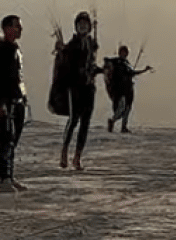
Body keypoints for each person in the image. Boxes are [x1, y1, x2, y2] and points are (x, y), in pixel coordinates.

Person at [53, 11, 102, 170]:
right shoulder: (72, 45)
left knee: (85, 122)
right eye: (80, 25)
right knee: (74, 119)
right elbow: (65, 63)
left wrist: (102, 70)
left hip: (89, 87)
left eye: (85, 25)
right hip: (75, 87)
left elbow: (92, 65)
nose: (82, 27)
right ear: (76, 27)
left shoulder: (92, 44)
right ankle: (64, 151)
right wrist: (61, 50)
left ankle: (77, 157)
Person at [0, 14, 28, 192]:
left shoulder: (14, 48)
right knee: (6, 138)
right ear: (6, 28)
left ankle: (10, 176)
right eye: (17, 26)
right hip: (6, 100)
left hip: (18, 98)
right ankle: (4, 178)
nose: (20, 29)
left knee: (13, 139)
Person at [103, 45, 152, 133]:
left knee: (127, 108)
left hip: (128, 89)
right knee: (121, 107)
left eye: (125, 53)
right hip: (119, 90)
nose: (124, 54)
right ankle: (112, 120)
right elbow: (107, 64)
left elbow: (133, 72)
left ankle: (123, 127)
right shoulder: (116, 62)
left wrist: (144, 70)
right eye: (122, 52)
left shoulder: (127, 63)